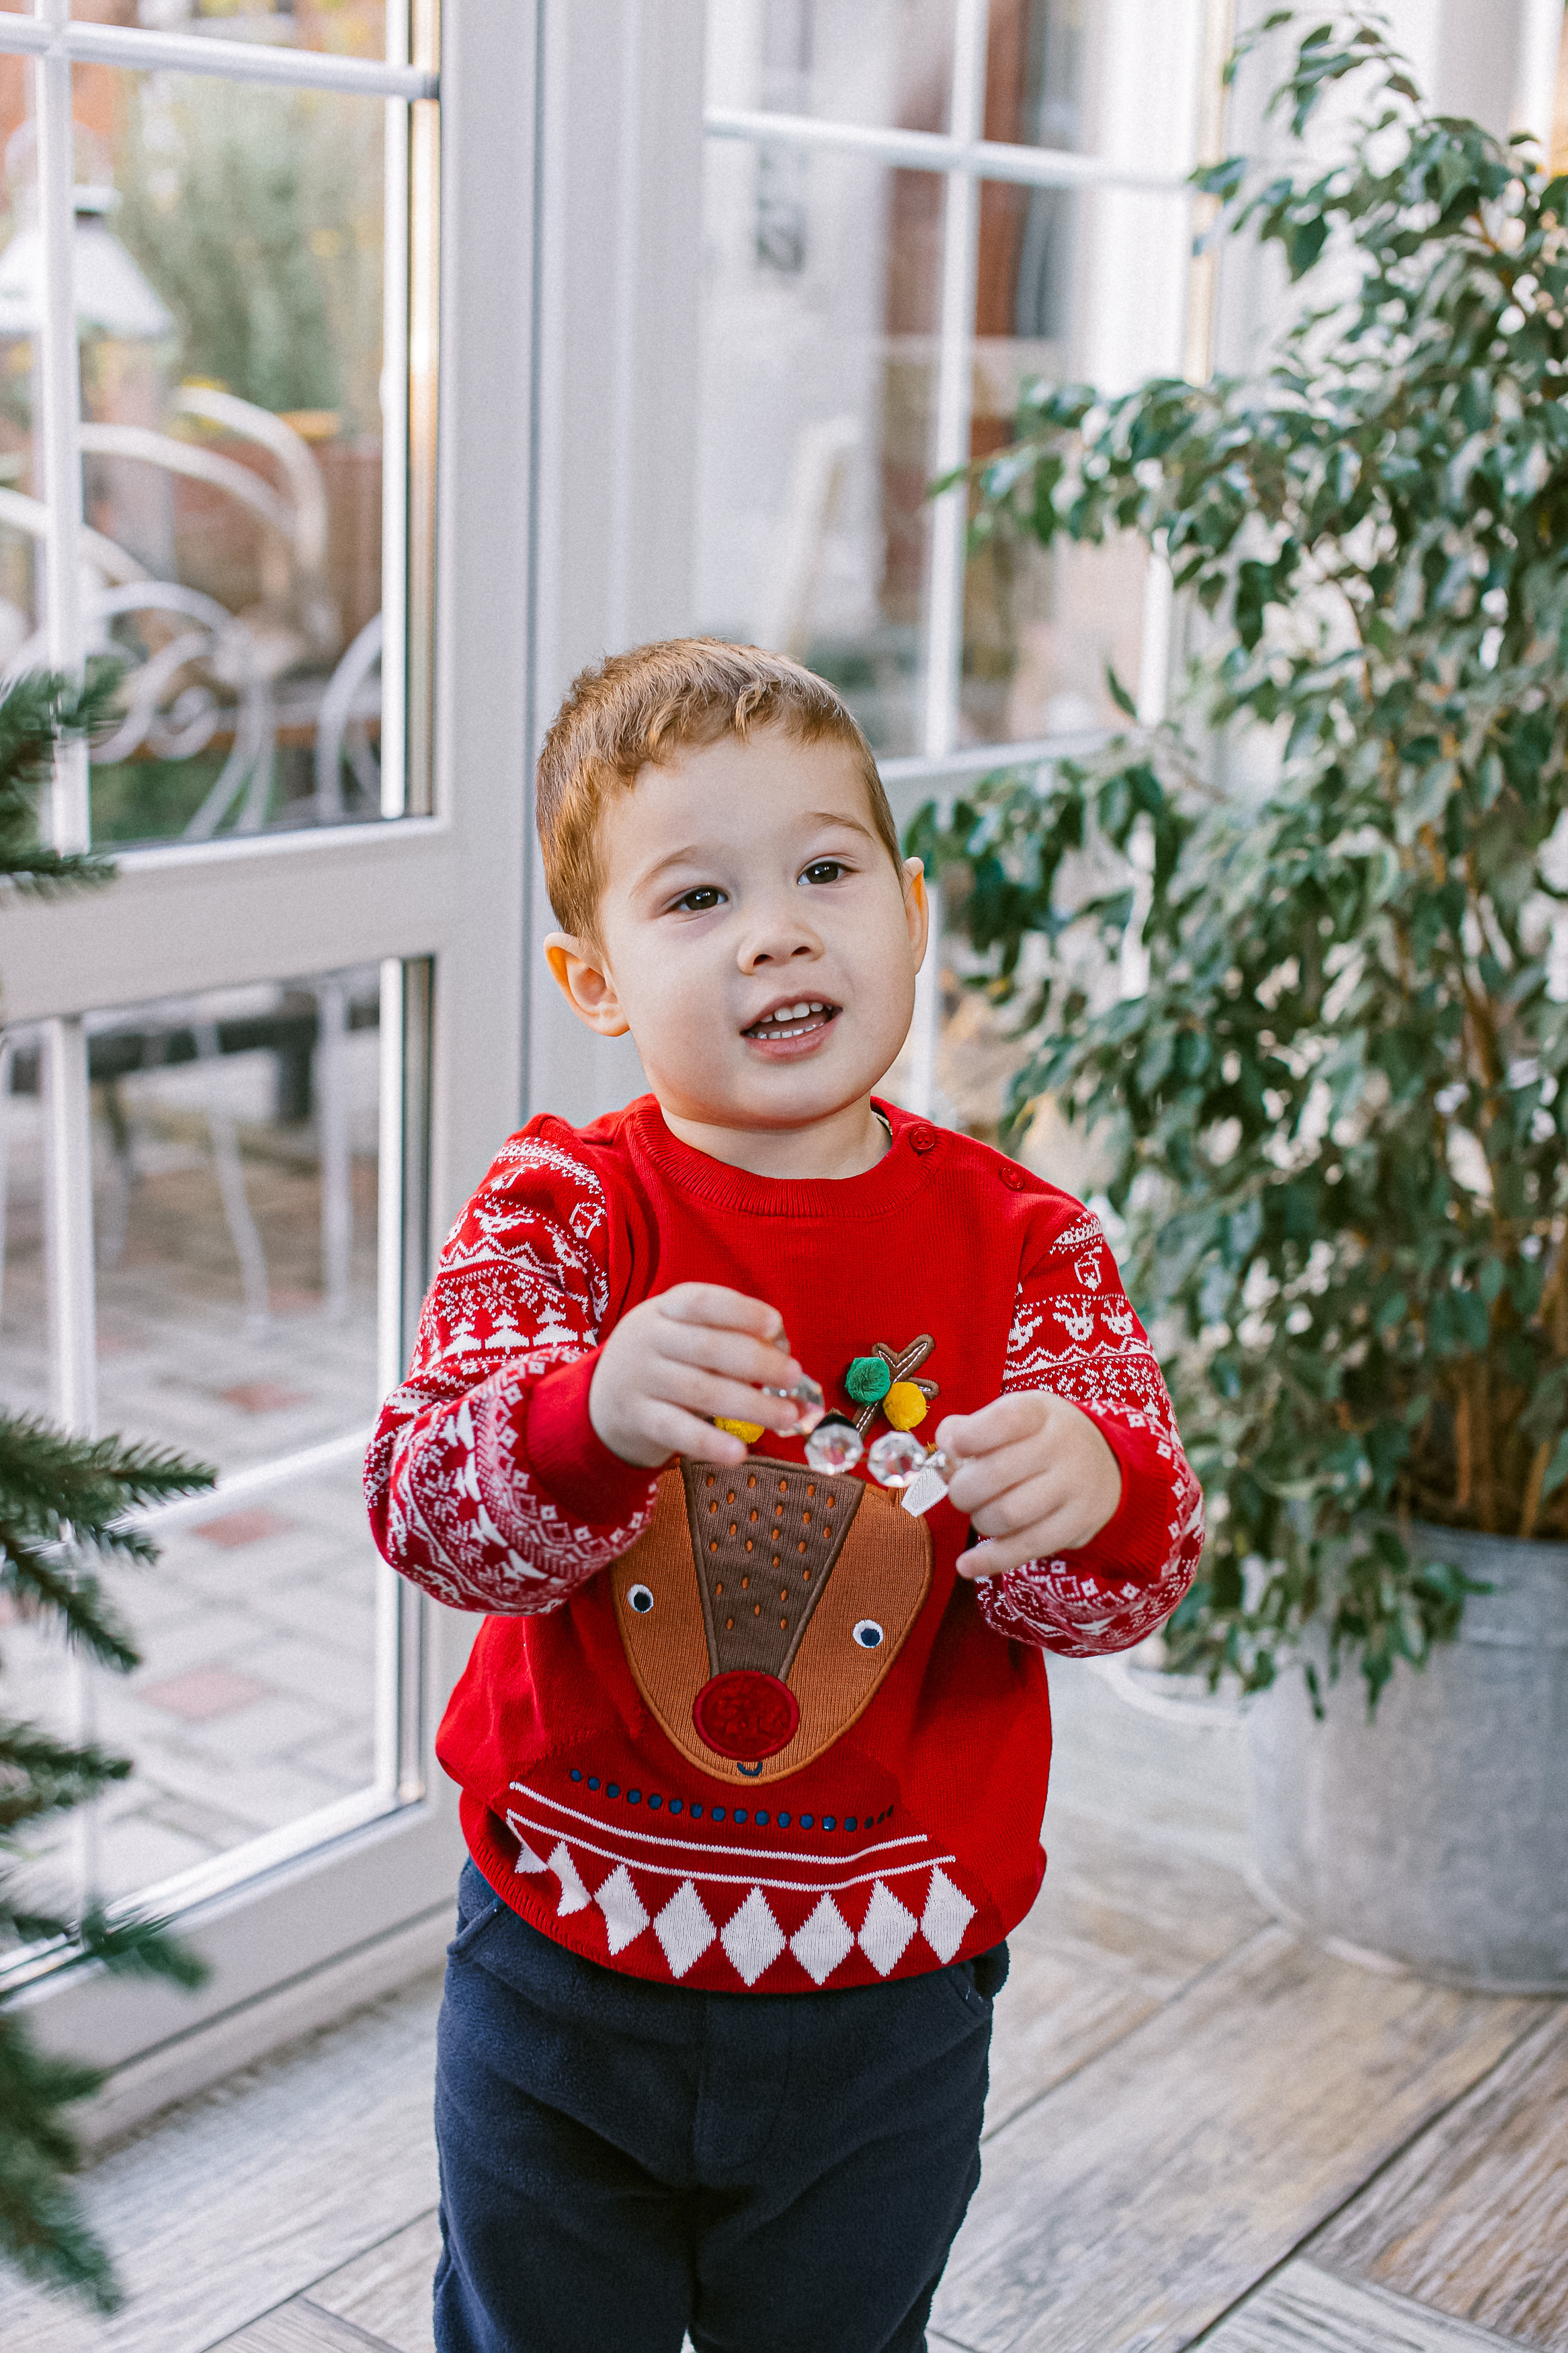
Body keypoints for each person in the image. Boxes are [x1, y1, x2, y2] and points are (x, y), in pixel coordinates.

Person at [365, 639, 1204, 2353]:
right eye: (696, 897)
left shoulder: (1032, 1249)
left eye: (826, 871)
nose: (778, 928)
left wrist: (1094, 1489)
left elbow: (1131, 1581)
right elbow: (425, 1507)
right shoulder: (561, 1214)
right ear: (591, 979)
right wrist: (585, 1415)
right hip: (560, 1971)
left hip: (884, 1999)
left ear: (907, 908)